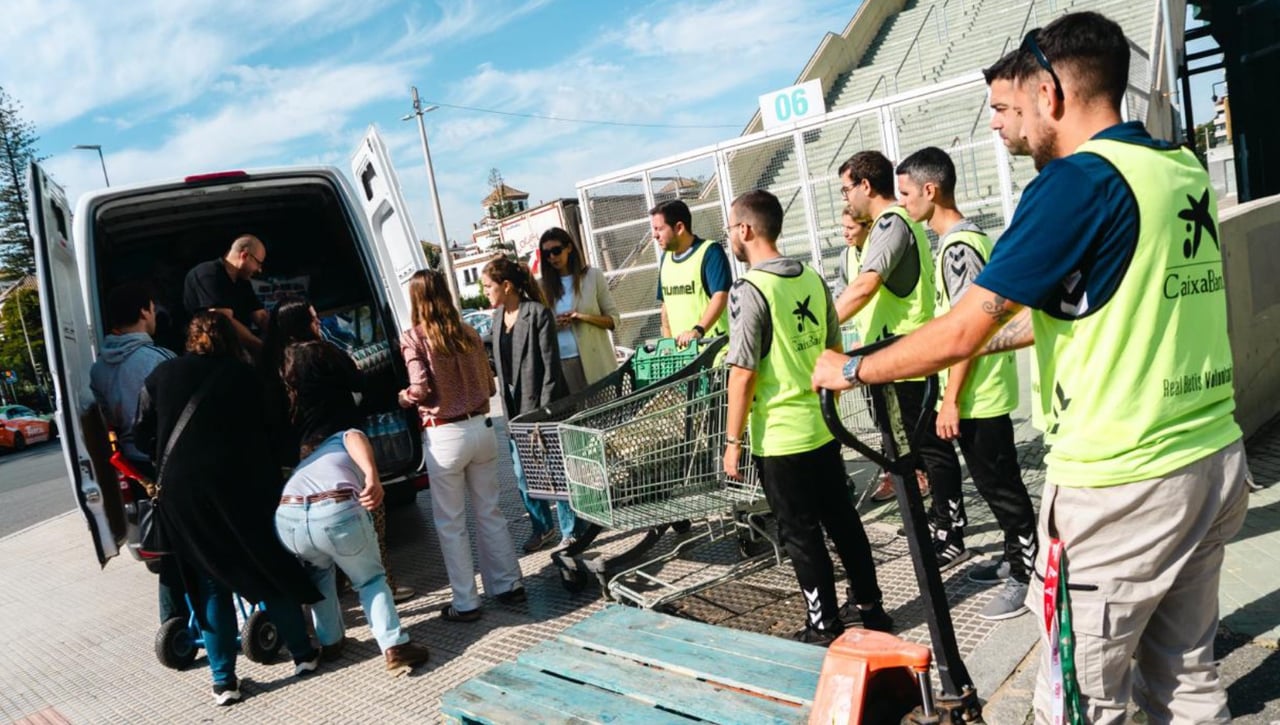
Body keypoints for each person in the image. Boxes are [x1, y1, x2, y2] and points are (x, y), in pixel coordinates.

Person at [813, 12, 1248, 722]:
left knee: (1077, 699)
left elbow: (962, 326)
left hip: (1120, 483)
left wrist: (853, 370)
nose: (998, 126)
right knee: (1185, 680)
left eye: (1007, 108)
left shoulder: (1078, 181)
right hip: (1210, 457)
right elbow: (1085, 308)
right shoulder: (1178, 168)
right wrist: (978, 342)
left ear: (1050, 93)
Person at [721, 189, 892, 646]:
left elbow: (743, 372)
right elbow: (833, 351)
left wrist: (732, 442)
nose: (730, 237)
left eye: (730, 229)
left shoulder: (749, 289)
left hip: (781, 436)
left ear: (745, 229)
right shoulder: (811, 278)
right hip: (822, 425)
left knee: (800, 534)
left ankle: (824, 625)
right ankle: (871, 608)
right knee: (843, 520)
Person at [134, 312, 322, 706]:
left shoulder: (161, 376)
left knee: (209, 582)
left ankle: (224, 682)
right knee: (268, 566)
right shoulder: (247, 376)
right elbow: (276, 431)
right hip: (244, 486)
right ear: (229, 340)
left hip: (184, 492)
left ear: (190, 339)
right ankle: (303, 654)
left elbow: (140, 432)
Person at [894, 147, 1037, 621]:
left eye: (906, 194)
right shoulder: (959, 242)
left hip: (980, 395)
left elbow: (969, 333)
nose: (903, 203)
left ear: (930, 190)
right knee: (995, 485)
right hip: (977, 391)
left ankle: (1027, 575)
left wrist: (951, 399)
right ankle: (1015, 559)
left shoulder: (959, 248)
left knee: (1002, 488)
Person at [276, 342, 430, 676]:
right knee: (369, 577)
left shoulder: (295, 420)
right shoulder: (342, 420)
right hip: (336, 509)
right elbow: (353, 437)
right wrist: (372, 477)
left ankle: (331, 641)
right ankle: (394, 645)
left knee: (319, 574)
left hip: (290, 516)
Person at [261, 297, 418, 604]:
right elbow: (358, 382)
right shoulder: (322, 352)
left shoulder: (272, 365)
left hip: (305, 458)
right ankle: (384, 585)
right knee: (369, 518)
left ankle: (336, 594)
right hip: (342, 449)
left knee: (322, 530)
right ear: (301, 324)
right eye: (313, 318)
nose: (318, 322)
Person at [398, 269, 525, 621]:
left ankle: (467, 602)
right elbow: (491, 386)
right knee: (490, 512)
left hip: (444, 436)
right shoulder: (468, 332)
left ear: (416, 298)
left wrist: (405, 397)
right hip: (481, 429)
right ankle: (509, 585)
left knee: (451, 524)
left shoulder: (414, 337)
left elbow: (420, 388)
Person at [835, 151, 947, 517]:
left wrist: (821, 328)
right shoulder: (884, 228)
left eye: (846, 189)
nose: (846, 197)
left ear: (865, 185)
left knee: (927, 448)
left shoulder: (891, 224)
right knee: (908, 448)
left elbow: (865, 286)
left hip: (907, 356)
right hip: (890, 357)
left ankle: (947, 523)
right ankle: (936, 522)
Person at [89, 281, 186, 625]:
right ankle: (210, 619)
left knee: (169, 547)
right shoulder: (157, 359)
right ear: (144, 311)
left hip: (135, 465)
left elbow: (106, 421)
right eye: (153, 309)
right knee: (195, 538)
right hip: (170, 459)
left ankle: (172, 621)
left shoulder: (98, 369)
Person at [484, 256, 577, 551]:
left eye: (488, 286)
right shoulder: (497, 318)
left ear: (506, 286)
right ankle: (542, 528)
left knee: (555, 471)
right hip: (513, 407)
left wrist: (544, 413)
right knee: (523, 474)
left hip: (541, 406)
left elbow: (551, 370)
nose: (485, 292)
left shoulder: (537, 313)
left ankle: (571, 530)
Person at [538, 226, 622, 392]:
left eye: (556, 251)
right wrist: (553, 325)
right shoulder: (541, 286)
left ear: (569, 248)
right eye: (546, 254)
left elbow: (614, 320)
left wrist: (582, 317)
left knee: (603, 407)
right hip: (561, 366)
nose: (552, 257)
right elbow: (538, 329)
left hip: (595, 361)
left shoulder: (593, 276)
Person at [652, 199, 732, 347]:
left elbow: (720, 296)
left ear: (679, 228)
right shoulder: (666, 259)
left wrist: (698, 330)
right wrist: (668, 346)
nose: (655, 235)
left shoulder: (710, 252)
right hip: (683, 356)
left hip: (714, 351)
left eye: (659, 229)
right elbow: (665, 307)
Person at [183, 234, 269, 355]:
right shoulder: (208, 274)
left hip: (236, 354)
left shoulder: (242, 282)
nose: (259, 269)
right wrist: (260, 346)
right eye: (258, 263)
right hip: (208, 354)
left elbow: (261, 317)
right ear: (244, 256)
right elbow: (223, 320)